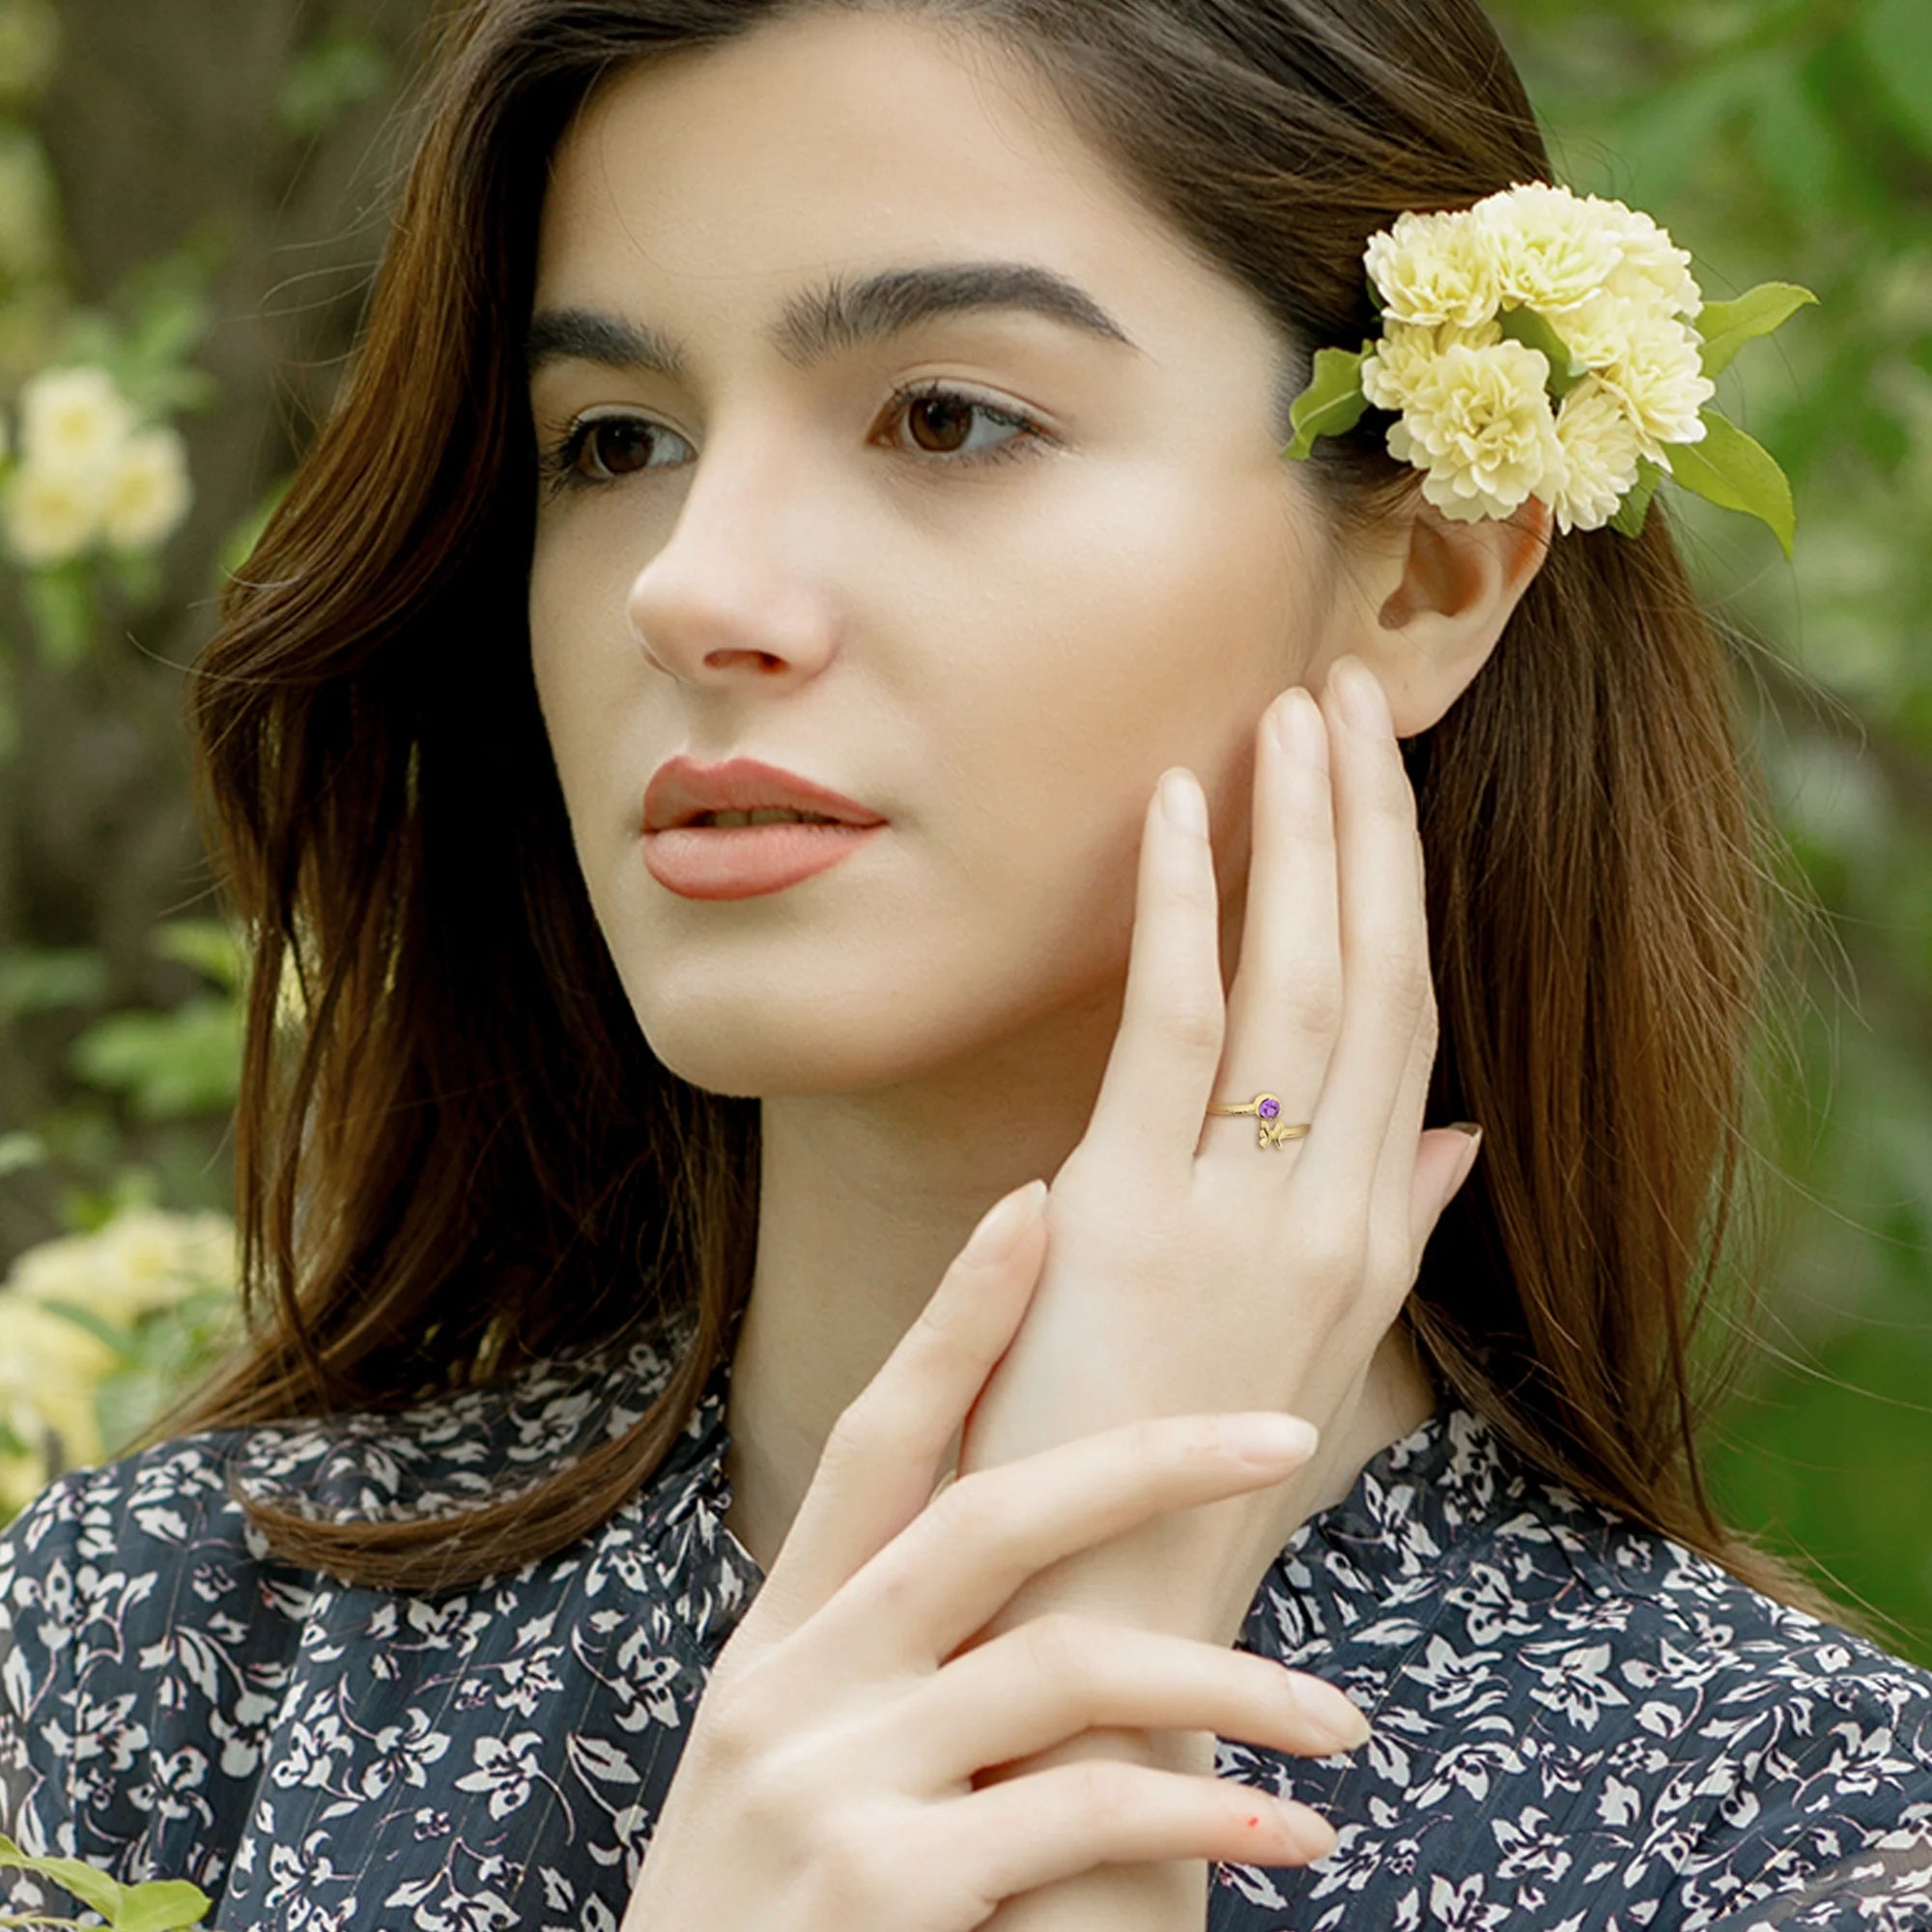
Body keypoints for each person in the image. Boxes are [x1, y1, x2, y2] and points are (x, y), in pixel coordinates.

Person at [3, 1, 1929, 1928]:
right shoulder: (164, 1649)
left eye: (946, 417)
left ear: (1424, 571)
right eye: (615, 441)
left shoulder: (1798, 1835)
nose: (690, 582)